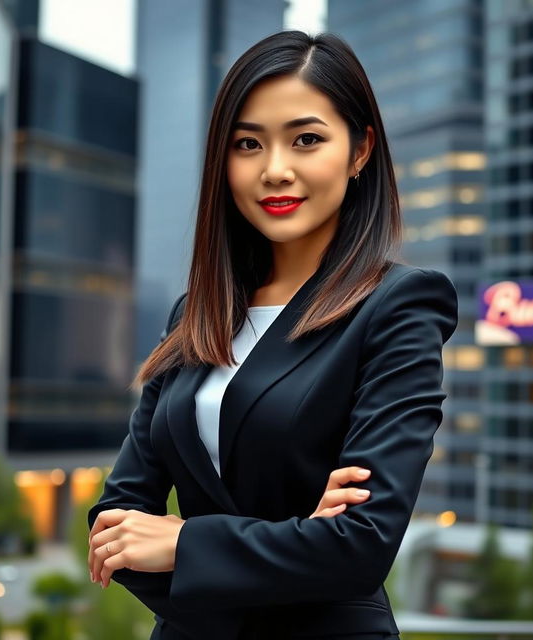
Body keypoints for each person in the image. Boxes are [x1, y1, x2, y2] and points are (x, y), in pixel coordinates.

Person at [87, 30, 458, 640]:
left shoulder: (396, 306)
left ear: (360, 149)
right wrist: (295, 543)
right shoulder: (196, 313)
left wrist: (186, 543)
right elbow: (116, 524)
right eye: (248, 144)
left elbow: (361, 547)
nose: (275, 170)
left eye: (307, 139)